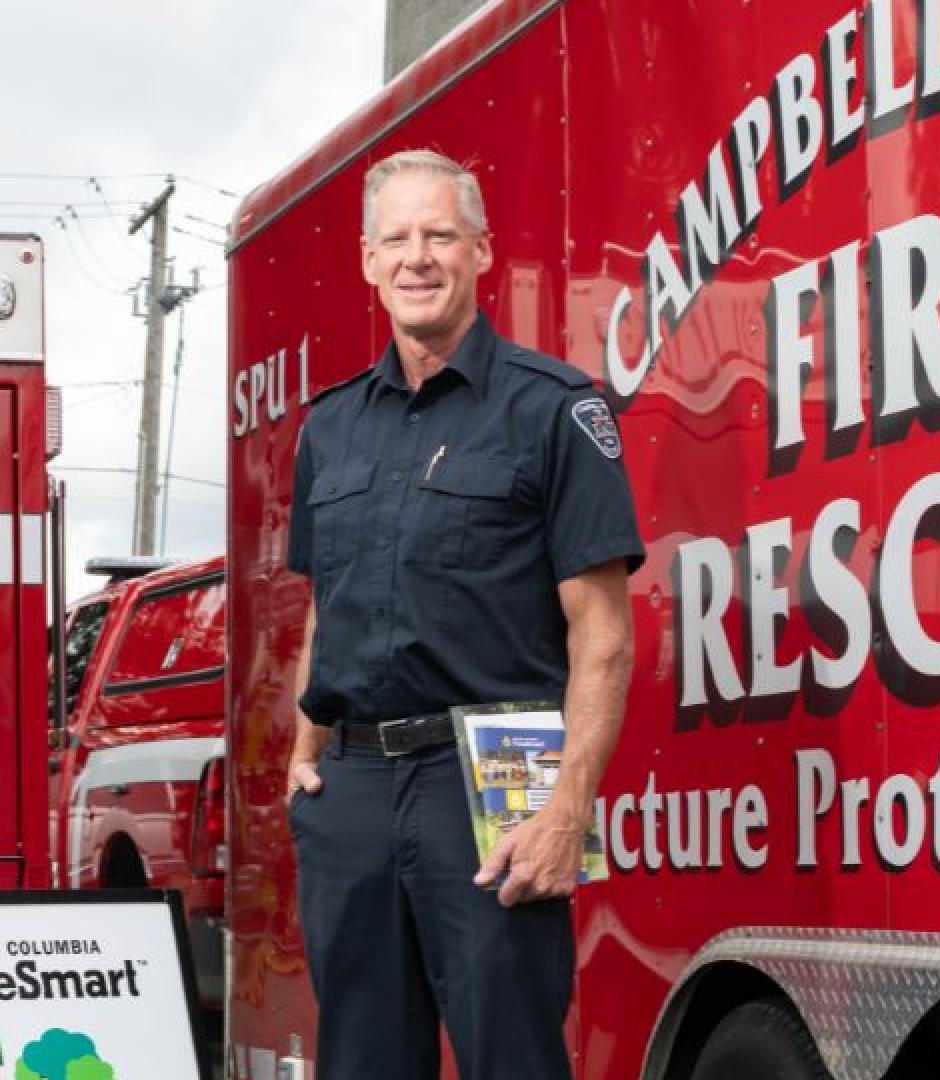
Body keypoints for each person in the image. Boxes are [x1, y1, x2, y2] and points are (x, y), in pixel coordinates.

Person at [283, 149, 644, 1080]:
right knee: (361, 1063)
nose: (418, 257)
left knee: (511, 1056)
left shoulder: (554, 409)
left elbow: (601, 638)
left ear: (481, 250)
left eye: (440, 235)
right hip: (354, 782)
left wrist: (568, 810)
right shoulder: (329, 427)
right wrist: (303, 757)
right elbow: (329, 607)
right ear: (367, 260)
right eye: (396, 238)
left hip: (500, 766)